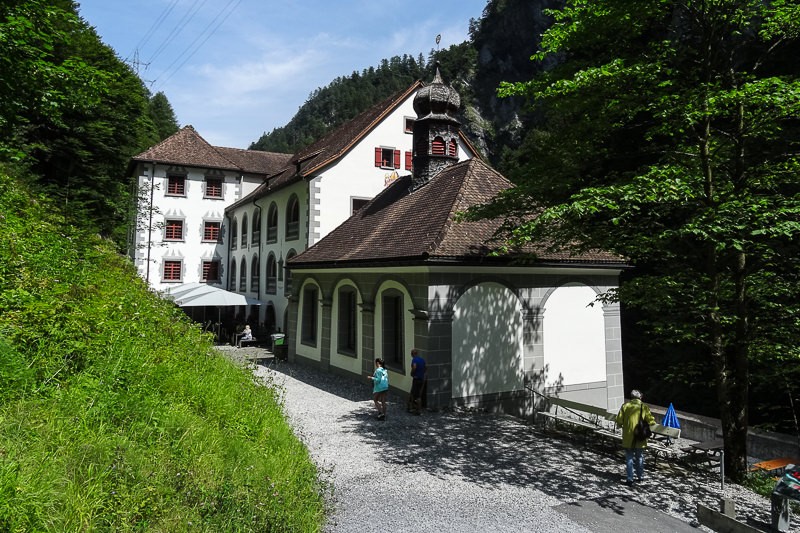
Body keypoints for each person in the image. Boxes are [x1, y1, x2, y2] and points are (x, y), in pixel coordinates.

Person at [616, 389, 656, 486]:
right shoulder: (644, 407)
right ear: (639, 397)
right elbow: (651, 421)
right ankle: (640, 477)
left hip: (628, 436)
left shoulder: (625, 406)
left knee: (629, 457)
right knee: (639, 457)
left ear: (631, 397)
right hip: (640, 436)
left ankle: (630, 478)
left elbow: (619, 421)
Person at [407, 348, 426, 415]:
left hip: (417, 379)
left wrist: (412, 373)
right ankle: (412, 407)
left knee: (415, 395)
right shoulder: (422, 360)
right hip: (422, 379)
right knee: (416, 393)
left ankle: (418, 410)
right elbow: (426, 368)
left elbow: (414, 366)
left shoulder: (414, 360)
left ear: (412, 354)